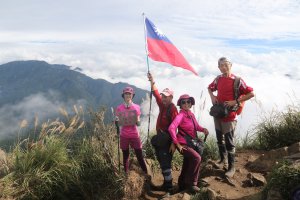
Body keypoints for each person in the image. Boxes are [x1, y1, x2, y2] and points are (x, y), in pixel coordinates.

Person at [208, 57, 254, 178]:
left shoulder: (237, 80)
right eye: (221, 65)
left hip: (230, 116)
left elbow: (251, 93)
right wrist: (212, 96)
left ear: (230, 65)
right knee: (219, 139)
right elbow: (209, 87)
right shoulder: (218, 79)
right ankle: (223, 160)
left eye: (225, 65)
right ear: (218, 67)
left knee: (229, 142)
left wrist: (236, 101)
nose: (223, 67)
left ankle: (231, 167)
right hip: (218, 114)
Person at [168, 94, 209, 193]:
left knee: (187, 162)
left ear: (191, 104)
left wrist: (203, 129)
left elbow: (196, 126)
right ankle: (192, 183)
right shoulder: (180, 115)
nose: (186, 104)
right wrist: (176, 143)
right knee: (196, 158)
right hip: (183, 144)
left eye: (188, 102)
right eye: (183, 102)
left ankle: (182, 184)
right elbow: (171, 128)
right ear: (180, 105)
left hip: (191, 143)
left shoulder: (191, 114)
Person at [147, 72, 178, 192]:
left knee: (165, 163)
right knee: (161, 160)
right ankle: (166, 184)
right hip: (161, 139)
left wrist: (173, 143)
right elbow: (155, 94)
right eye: (163, 96)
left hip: (168, 140)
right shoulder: (163, 105)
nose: (164, 99)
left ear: (171, 97)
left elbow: (175, 128)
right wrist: (152, 80)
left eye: (166, 97)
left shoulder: (173, 109)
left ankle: (169, 187)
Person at [115, 86, 148, 174]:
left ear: (132, 95)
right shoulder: (119, 108)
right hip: (124, 135)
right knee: (126, 156)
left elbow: (138, 124)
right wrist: (117, 122)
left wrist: (138, 120)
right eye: (126, 93)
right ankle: (126, 175)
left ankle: (146, 174)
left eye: (129, 94)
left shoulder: (137, 107)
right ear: (123, 95)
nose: (128, 95)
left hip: (134, 134)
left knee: (139, 155)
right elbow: (117, 123)